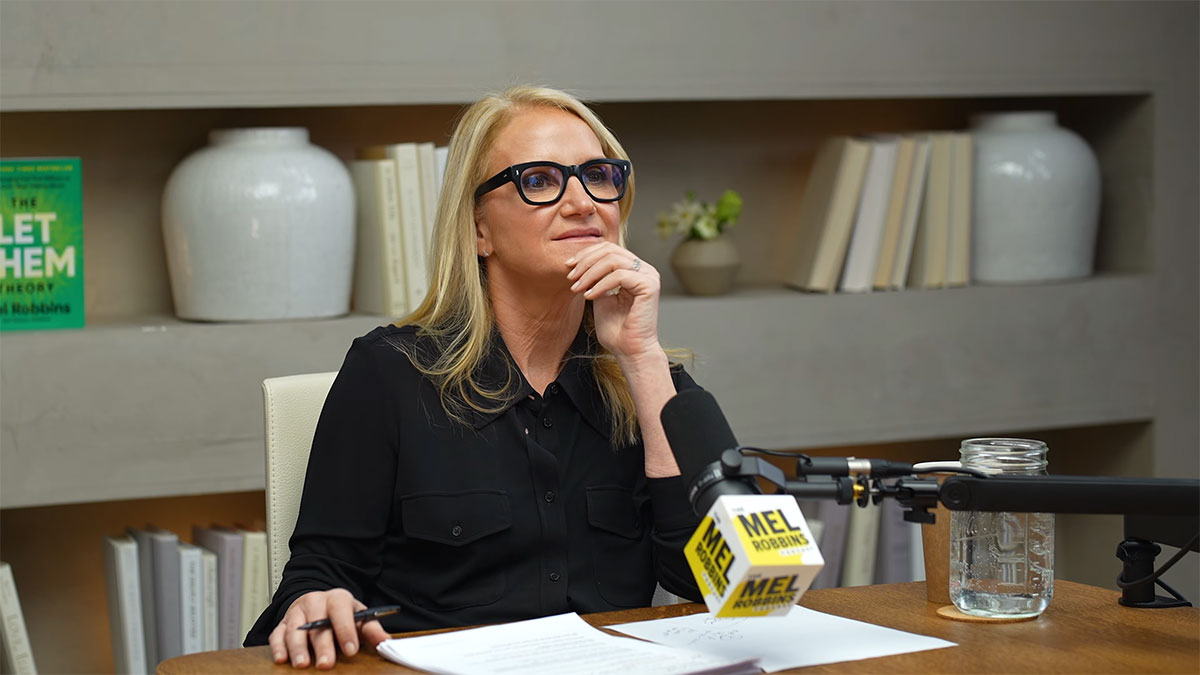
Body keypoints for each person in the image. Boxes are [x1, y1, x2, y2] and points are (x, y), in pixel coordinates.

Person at [245, 85, 705, 669]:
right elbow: (318, 576)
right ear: (478, 229)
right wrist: (315, 601)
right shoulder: (389, 373)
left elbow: (713, 582)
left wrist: (641, 358)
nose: (583, 202)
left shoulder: (650, 379)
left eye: (597, 175)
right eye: (539, 180)